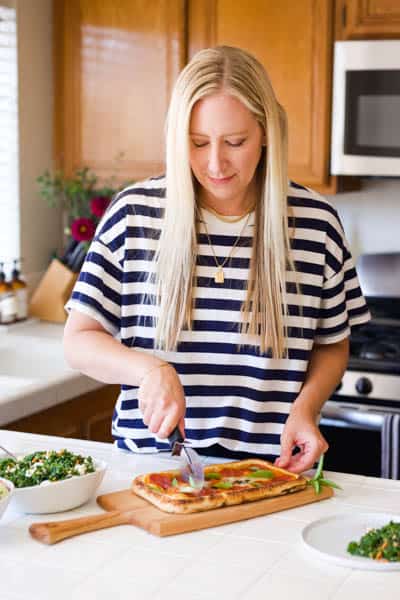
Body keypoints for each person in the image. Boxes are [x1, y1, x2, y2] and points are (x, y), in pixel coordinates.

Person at [63, 45, 370, 473]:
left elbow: (332, 343)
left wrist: (307, 407)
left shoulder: (315, 225)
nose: (215, 163)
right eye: (198, 142)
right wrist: (149, 370)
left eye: (235, 142)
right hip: (150, 471)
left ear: (266, 133)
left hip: (270, 474)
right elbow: (78, 340)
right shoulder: (134, 215)